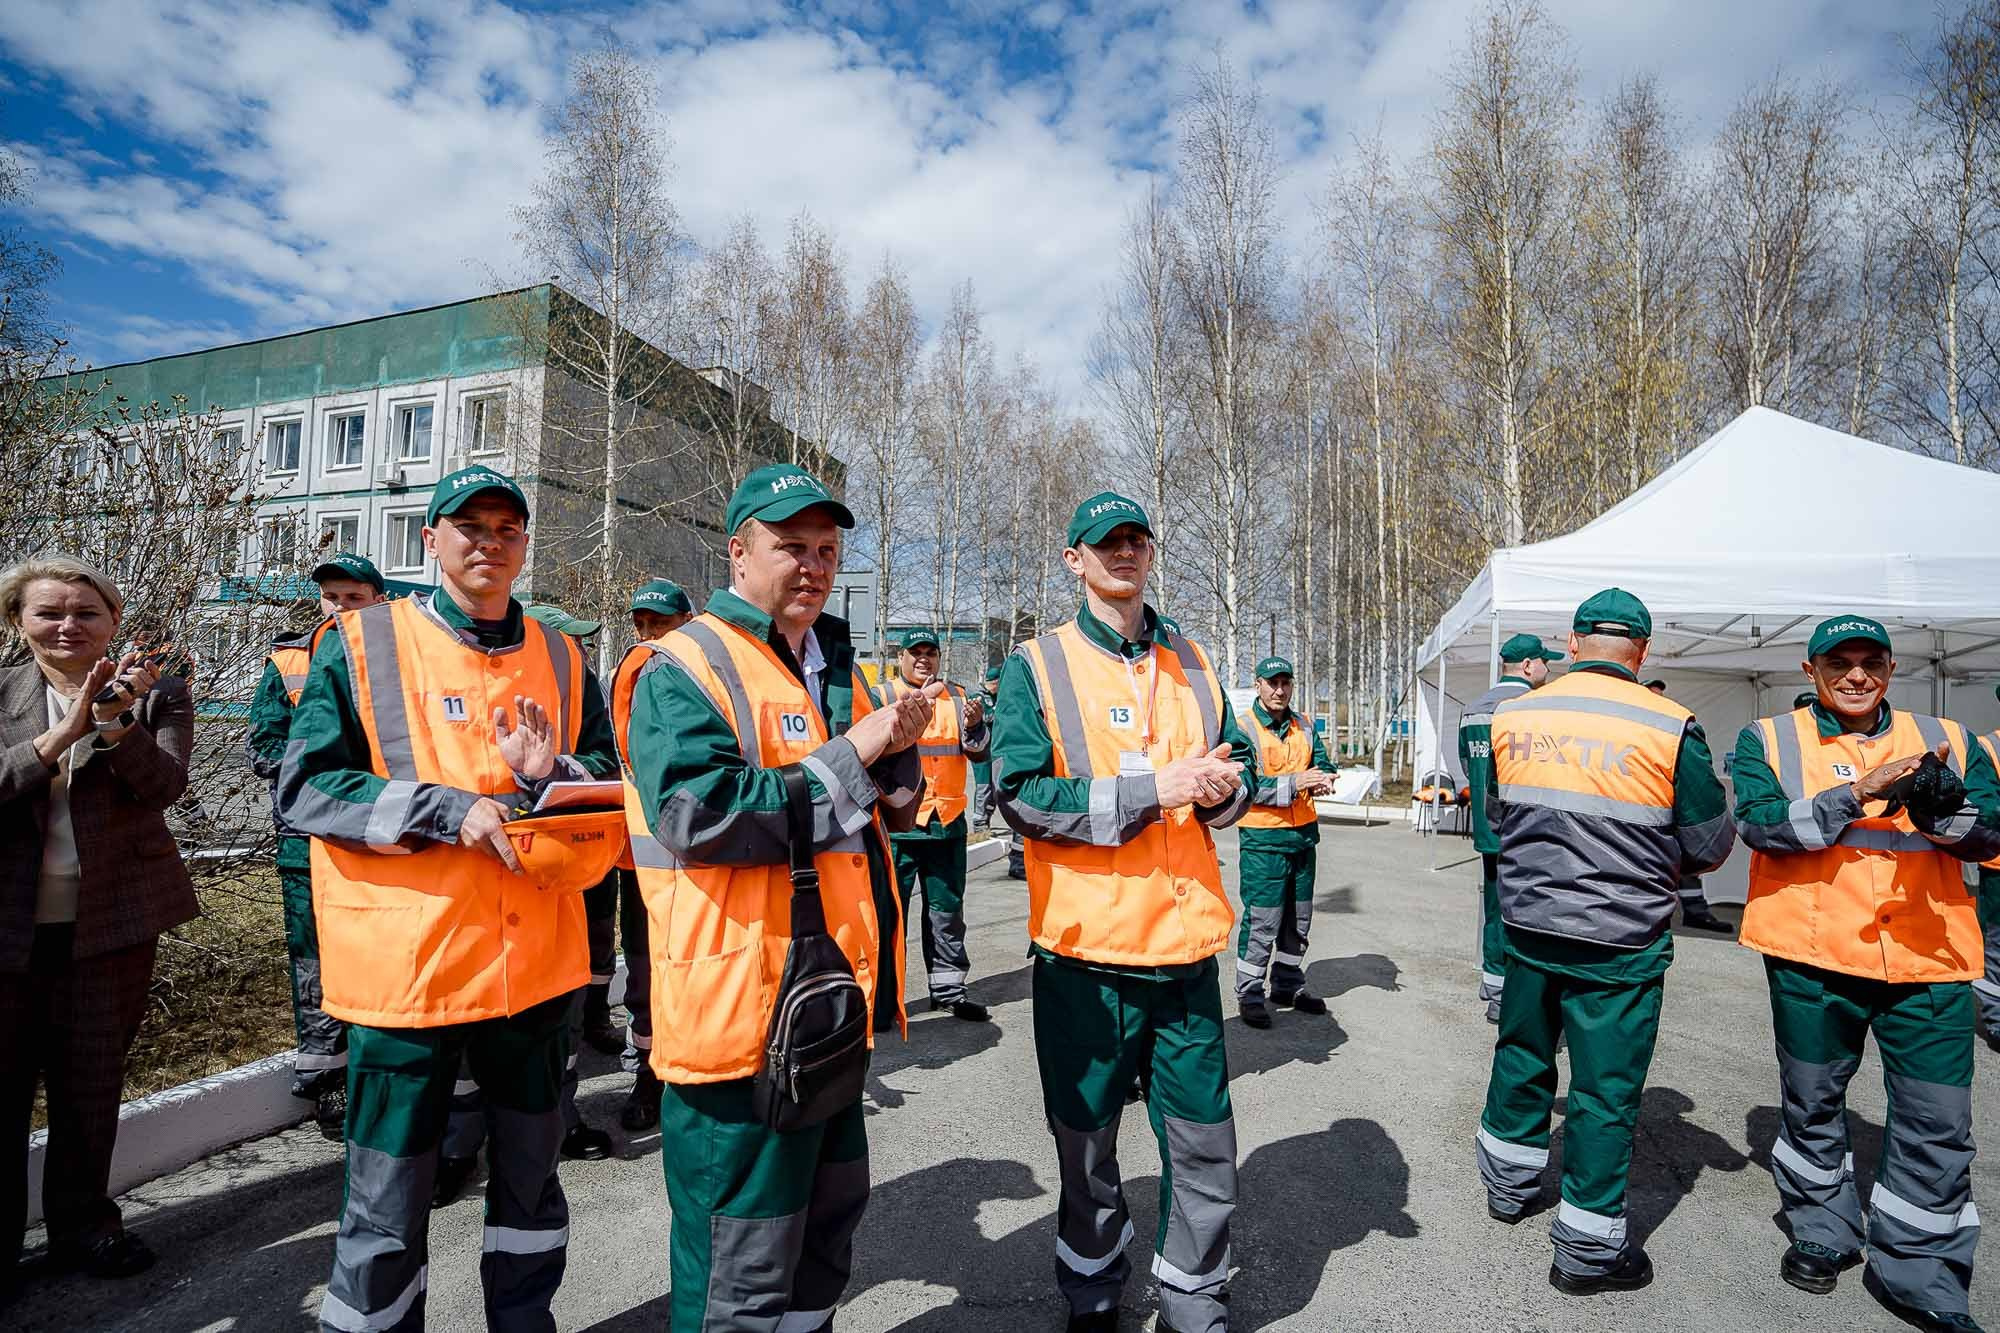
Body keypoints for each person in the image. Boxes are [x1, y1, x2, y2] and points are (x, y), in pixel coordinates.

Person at [279, 465, 620, 1333]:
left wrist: (551, 774)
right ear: (430, 539)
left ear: (524, 544)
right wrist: (442, 809)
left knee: (531, 1188)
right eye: (470, 527)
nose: (490, 543)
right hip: (409, 978)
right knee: (388, 1205)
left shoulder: (562, 654)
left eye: (508, 528)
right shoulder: (361, 641)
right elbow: (306, 788)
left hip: (534, 971)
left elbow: (605, 783)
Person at [614, 463, 933, 1331]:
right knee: (739, 1286)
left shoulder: (829, 664)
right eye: (792, 546)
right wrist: (856, 752)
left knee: (821, 1258)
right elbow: (704, 813)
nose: (814, 565)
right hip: (737, 1027)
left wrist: (897, 747)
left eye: (826, 549)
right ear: (738, 551)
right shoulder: (680, 664)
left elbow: (874, 816)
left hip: (827, 1013)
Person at [993, 491, 1254, 1333]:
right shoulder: (1038, 665)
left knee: (1205, 1140)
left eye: (1137, 538)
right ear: (1074, 559)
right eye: (1106, 541)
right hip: (1086, 955)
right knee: (1086, 1145)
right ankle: (1094, 1292)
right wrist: (1155, 789)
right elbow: (1022, 796)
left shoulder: (1194, 658)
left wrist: (1222, 789)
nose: (1125, 551)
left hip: (1184, 952)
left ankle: (1195, 1298)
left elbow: (1237, 763)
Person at [1732, 615, 1999, 1331]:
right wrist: (1856, 794)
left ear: (1890, 668)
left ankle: (1923, 1274)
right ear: (1810, 670)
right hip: (1814, 956)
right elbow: (1761, 825)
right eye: (1839, 663)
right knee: (1813, 1103)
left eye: (1871, 662)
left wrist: (1943, 811)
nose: (1856, 675)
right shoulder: (1769, 738)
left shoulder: (1951, 737)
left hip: (1929, 957)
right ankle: (1823, 1229)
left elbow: (1991, 834)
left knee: (1938, 1121)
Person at [1475, 589, 1734, 1297]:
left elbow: (1499, 814)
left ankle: (1507, 1188)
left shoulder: (1516, 715)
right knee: (1603, 1091)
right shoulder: (1669, 724)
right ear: (1642, 651)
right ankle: (1586, 1252)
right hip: (1618, 939)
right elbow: (1710, 845)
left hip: (1529, 926)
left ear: (1572, 642)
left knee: (1522, 1055)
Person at [0, 558, 196, 1292]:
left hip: (109, 926)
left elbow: (164, 787)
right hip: (9, 928)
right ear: (17, 620)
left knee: (89, 1090)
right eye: (48, 612)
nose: (68, 626)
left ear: (113, 620)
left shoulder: (158, 693)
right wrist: (59, 736)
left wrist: (113, 722)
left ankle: (84, 1227)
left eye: (86, 612)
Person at [246, 552, 386, 1139]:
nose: (342, 607)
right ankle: (328, 1077)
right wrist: (331, 769)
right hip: (309, 842)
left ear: (378, 600)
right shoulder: (289, 662)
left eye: (354, 597)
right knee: (315, 961)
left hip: (384, 839)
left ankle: (380, 1070)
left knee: (381, 957)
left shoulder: (403, 659)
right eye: (333, 597)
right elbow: (265, 748)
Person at [879, 627, 991, 1022]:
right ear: (901, 657)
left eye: (931, 652)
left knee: (947, 913)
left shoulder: (959, 698)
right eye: (916, 652)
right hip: (899, 826)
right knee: (890, 915)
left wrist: (975, 727)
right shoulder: (884, 696)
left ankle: (949, 992)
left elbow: (978, 753)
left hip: (947, 823)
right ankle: (884, 1000)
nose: (924, 659)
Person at [613, 578, 693, 1134]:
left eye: (659, 623)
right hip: (643, 857)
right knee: (644, 972)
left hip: (702, 857)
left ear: (687, 621)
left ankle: (691, 1072)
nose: (647, 634)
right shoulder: (631, 675)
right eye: (641, 624)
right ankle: (648, 1072)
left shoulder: (706, 673)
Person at [1456, 632, 1562, 1023]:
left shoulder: (1472, 710)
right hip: (1526, 830)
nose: (1548, 669)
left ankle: (1494, 986)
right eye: (1545, 662)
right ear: (1529, 665)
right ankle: (1513, 998)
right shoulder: (1534, 709)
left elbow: (1468, 766)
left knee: (1494, 908)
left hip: (1489, 830)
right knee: (1527, 915)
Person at [1234, 655, 1336, 1029]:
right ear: (1258, 685)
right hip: (1264, 843)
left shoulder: (1304, 724)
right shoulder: (1242, 728)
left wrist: (1325, 778)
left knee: (1298, 921)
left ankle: (1287, 986)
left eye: (1285, 683)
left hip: (1303, 838)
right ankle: (1249, 994)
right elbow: (1243, 785)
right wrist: (1296, 783)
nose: (1279, 690)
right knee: (1263, 922)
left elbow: (1322, 763)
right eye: (1272, 683)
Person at [1644, 678, 1734, 935]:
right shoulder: (1638, 731)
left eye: (1661, 696)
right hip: (1647, 816)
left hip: (1670, 811)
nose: (1659, 701)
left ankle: (1696, 912)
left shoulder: (1673, 729)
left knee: (1686, 858)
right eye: (1653, 695)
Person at [1978, 686, 2000, 1056]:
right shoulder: (1989, 748)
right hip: (1998, 867)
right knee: (1998, 944)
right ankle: (1998, 1021)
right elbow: (1984, 809)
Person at [970, 663, 1001, 827]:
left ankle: (987, 816)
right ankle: (979, 822)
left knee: (996, 786)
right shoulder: (978, 697)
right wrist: (999, 710)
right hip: (980, 749)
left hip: (995, 749)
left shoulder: (999, 696)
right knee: (984, 786)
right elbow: (985, 717)